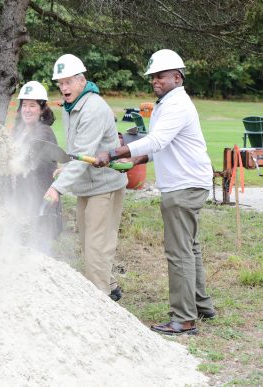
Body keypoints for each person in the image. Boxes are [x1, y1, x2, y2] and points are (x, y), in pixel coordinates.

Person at [94, 49, 215, 335]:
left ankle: (184, 319)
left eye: (160, 76)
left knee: (179, 251)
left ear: (177, 76)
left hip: (183, 186)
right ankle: (201, 304)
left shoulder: (176, 104)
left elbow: (158, 140)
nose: (154, 81)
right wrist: (136, 159)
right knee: (191, 246)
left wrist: (112, 153)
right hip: (189, 182)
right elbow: (164, 144)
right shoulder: (168, 102)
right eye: (152, 77)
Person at [43, 54, 127, 301]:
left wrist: (57, 188)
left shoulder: (93, 108)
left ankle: (100, 299)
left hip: (104, 185)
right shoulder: (72, 106)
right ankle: (109, 284)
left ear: (82, 80)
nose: (64, 88)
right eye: (60, 83)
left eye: (68, 82)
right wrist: (65, 168)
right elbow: (78, 151)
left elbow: (86, 153)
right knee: (90, 238)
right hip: (87, 184)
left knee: (96, 242)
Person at [13, 81, 62, 238]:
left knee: (38, 246)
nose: (27, 110)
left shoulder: (44, 132)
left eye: (32, 105)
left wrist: (2, 163)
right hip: (23, 196)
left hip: (40, 198)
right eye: (24, 105)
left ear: (42, 109)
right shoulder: (19, 132)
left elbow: (26, 157)